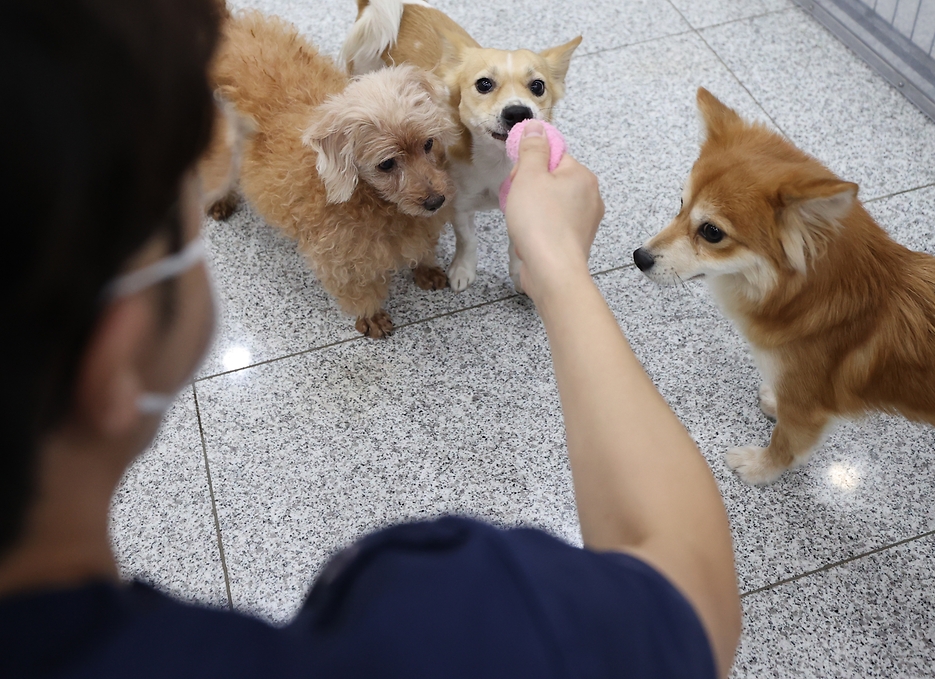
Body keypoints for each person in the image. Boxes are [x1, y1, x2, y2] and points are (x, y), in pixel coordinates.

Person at [0, 1, 741, 677]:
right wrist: (561, 269)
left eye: (431, 151)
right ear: (114, 347)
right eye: (176, 219)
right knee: (356, 272)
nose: (432, 184)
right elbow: (694, 596)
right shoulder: (431, 608)